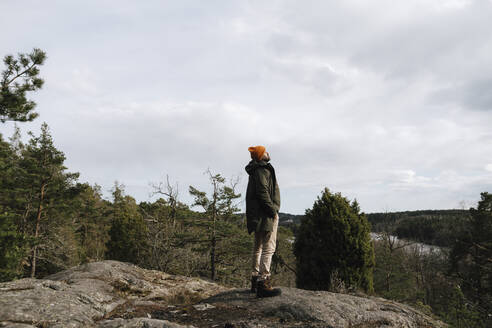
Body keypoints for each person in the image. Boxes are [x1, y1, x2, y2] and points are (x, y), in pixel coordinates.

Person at [245, 145, 282, 297]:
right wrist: (273, 210)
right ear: (261, 155)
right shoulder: (262, 170)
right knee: (269, 247)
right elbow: (262, 193)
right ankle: (263, 282)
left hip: (258, 214)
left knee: (258, 247)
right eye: (265, 151)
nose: (268, 153)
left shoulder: (256, 170)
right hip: (265, 214)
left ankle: (255, 279)